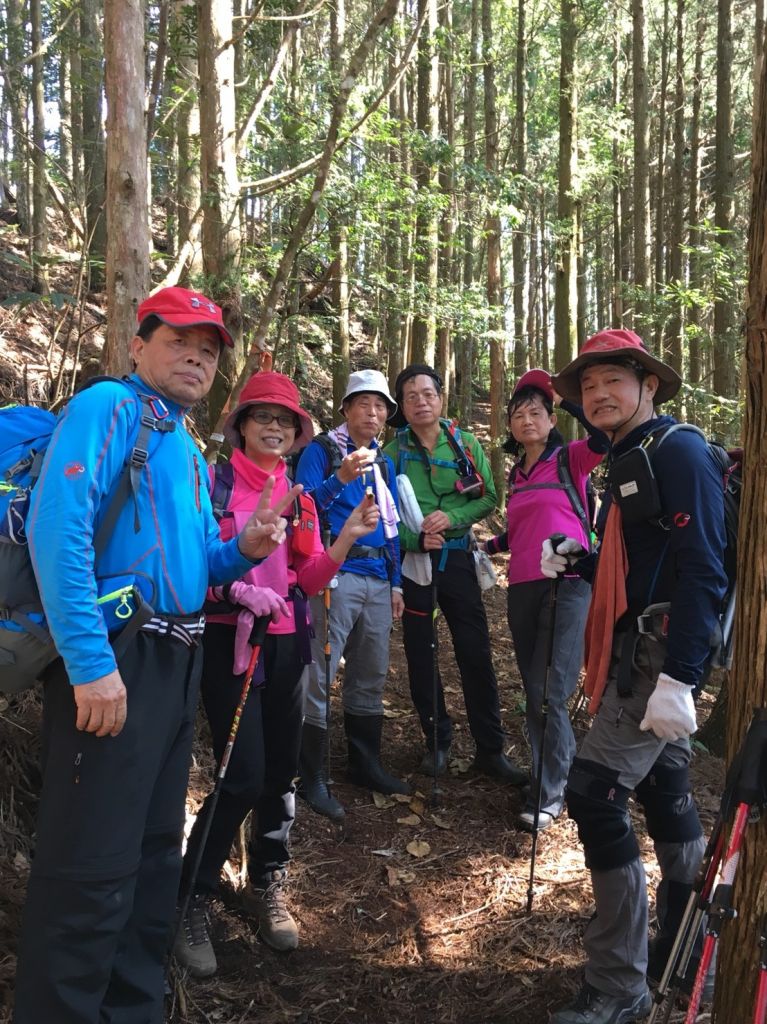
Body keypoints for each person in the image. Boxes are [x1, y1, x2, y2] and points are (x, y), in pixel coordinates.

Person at [13, 287, 297, 1024]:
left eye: (209, 347)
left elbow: (195, 564)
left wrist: (244, 549)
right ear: (138, 345)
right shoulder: (107, 407)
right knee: (89, 864)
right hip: (116, 658)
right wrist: (89, 663)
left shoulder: (181, 444)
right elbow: (58, 532)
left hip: (177, 662)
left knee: (148, 858)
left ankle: (132, 1007)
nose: (198, 355)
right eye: (179, 340)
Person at [540, 329, 727, 1024]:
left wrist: (681, 676)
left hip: (658, 657)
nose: (597, 395)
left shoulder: (675, 450)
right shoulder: (627, 455)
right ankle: (685, 956)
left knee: (591, 795)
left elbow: (704, 565)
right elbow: (649, 562)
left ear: (647, 383)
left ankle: (618, 985)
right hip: (639, 647)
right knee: (665, 790)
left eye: (612, 380)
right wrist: (583, 563)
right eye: (587, 387)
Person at [174, 370, 381, 977]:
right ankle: (193, 896)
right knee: (240, 778)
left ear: (297, 435)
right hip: (226, 642)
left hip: (289, 644)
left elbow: (311, 579)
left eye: (286, 421)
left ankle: (267, 881)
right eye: (262, 416)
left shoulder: (302, 497)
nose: (274, 427)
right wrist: (236, 587)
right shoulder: (210, 487)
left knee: (281, 775)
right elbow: (194, 566)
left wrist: (344, 539)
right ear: (239, 425)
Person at [383, 364, 526, 784]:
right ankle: (436, 741)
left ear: (440, 397)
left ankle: (490, 748)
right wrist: (413, 539)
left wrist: (451, 516)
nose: (421, 402)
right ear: (402, 407)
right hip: (415, 567)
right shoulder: (391, 454)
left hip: (459, 557)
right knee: (420, 651)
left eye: (427, 393)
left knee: (474, 651)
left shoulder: (463, 443)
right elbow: (384, 518)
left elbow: (489, 498)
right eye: (410, 396)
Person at [484, 369, 603, 830]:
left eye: (537, 412)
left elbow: (604, 438)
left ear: (551, 420)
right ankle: (555, 772)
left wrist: (568, 398)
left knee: (551, 689)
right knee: (535, 690)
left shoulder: (570, 458)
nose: (527, 419)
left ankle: (550, 792)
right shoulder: (519, 474)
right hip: (524, 586)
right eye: (519, 414)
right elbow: (517, 532)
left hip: (568, 583)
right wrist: (483, 548)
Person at [295, 369, 409, 821]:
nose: (373, 412)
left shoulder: (383, 460)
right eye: (364, 403)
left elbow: (391, 521)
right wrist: (340, 477)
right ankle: (312, 775)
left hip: (378, 576)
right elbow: (304, 507)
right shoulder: (321, 451)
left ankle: (365, 763)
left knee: (371, 670)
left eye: (381, 406)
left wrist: (397, 578)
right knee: (320, 671)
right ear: (345, 408)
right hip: (334, 574)